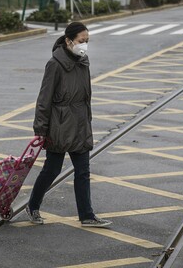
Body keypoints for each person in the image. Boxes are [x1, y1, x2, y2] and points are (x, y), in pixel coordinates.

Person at [26, 22, 112, 228]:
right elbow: (44, 98)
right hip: (60, 125)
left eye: (87, 41)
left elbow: (86, 96)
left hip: (80, 123)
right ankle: (33, 205)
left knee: (83, 171)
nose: (85, 45)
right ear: (68, 40)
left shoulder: (84, 61)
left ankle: (87, 215)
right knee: (51, 170)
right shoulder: (55, 64)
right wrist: (40, 129)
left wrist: (87, 119)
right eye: (82, 41)